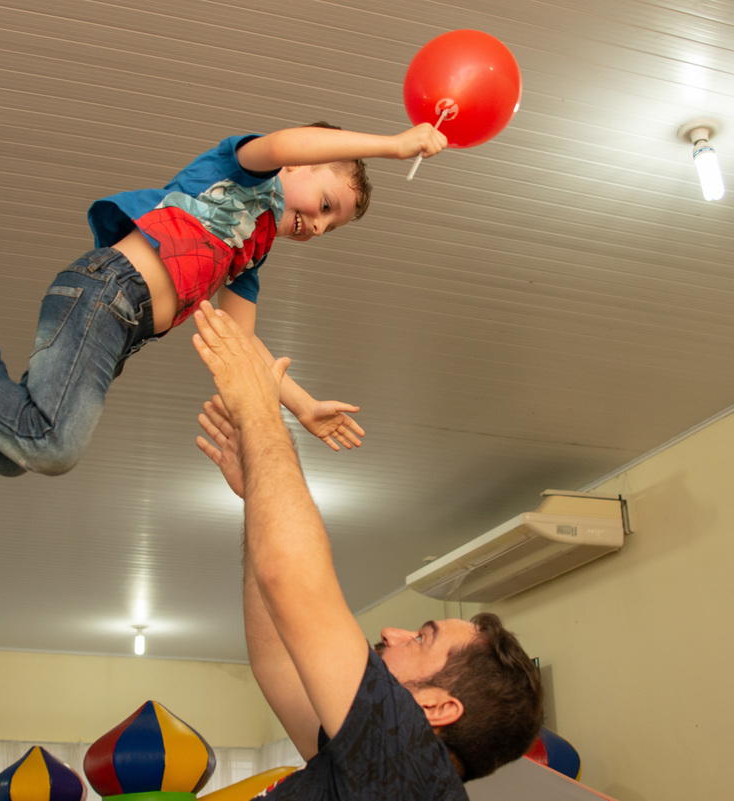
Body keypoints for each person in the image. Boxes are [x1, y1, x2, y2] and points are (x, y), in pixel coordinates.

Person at [0, 122, 446, 477]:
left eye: (329, 228)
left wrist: (302, 405)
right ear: (299, 164)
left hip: (115, 330)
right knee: (53, 447)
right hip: (104, 293)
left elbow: (240, 346)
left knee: (8, 453)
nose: (317, 226)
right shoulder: (241, 171)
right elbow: (291, 139)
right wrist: (393, 146)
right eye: (326, 206)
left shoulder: (250, 254)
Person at [191, 300, 543, 799]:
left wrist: (260, 409)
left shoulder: (409, 769)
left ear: (438, 706)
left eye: (420, 638)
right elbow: (278, 663)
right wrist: (259, 498)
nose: (391, 633)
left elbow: (289, 575)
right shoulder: (379, 769)